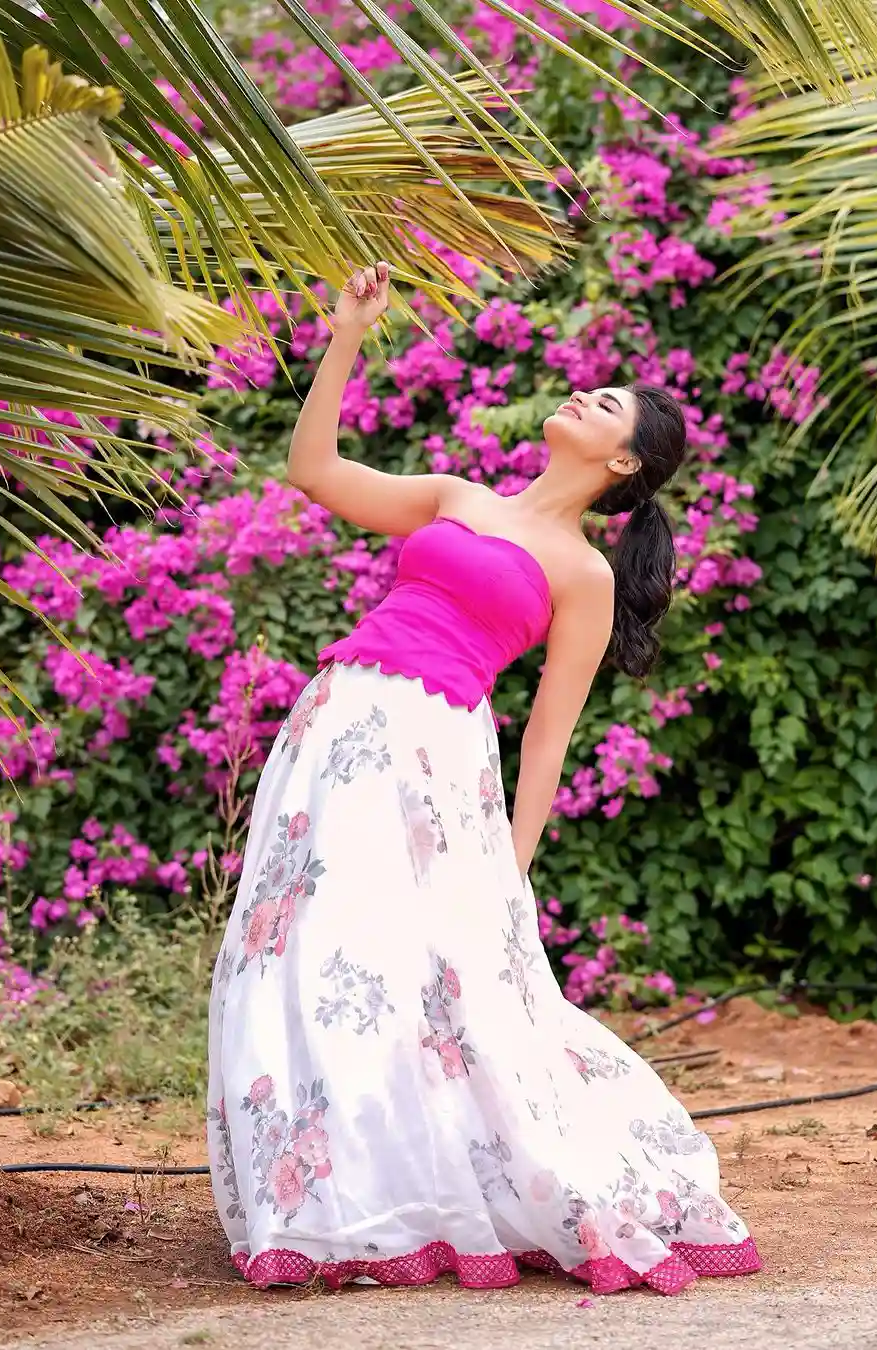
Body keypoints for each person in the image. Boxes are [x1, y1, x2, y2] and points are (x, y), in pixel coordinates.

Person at [206, 261, 761, 1296]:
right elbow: (314, 472)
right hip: (335, 723)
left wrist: (511, 870)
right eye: (592, 389)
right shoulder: (459, 494)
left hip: (432, 755)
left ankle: (404, 1200)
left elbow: (547, 739)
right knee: (302, 951)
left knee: (419, 975)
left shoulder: (586, 575)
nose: (584, 396)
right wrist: (349, 334)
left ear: (626, 461)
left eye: (609, 406)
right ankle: (322, 1200)